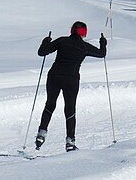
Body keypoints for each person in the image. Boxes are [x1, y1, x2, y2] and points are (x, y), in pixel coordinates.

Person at [35, 21, 107, 151]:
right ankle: (70, 142)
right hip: (71, 79)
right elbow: (102, 54)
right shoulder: (84, 46)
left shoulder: (62, 41)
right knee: (70, 109)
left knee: (50, 104)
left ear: (71, 31)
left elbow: (42, 52)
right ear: (84, 33)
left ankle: (41, 134)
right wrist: (103, 42)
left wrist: (45, 41)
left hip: (54, 76)